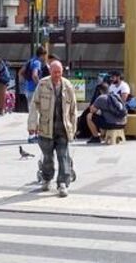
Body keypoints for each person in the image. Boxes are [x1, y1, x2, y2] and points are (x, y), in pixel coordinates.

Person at [29, 60, 77, 197]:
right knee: (48, 157)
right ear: (50, 71)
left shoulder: (68, 85)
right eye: (54, 72)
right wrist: (32, 125)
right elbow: (34, 105)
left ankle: (63, 183)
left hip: (63, 129)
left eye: (59, 72)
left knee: (63, 157)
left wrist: (73, 128)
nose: (57, 75)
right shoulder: (43, 84)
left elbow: (73, 109)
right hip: (46, 128)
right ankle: (47, 178)